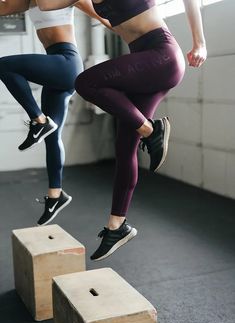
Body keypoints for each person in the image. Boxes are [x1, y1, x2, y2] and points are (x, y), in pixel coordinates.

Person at [37, 0, 207, 260]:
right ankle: (117, 226)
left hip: (161, 55)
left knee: (86, 82)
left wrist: (200, 43)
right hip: (144, 63)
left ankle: (151, 131)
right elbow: (47, 5)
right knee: (125, 147)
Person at [0, 0, 109, 225]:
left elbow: (102, 16)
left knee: (4, 65)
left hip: (67, 63)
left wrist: (142, 37)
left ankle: (39, 120)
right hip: (56, 69)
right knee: (53, 136)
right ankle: (56, 196)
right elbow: (4, 8)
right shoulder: (28, 1)